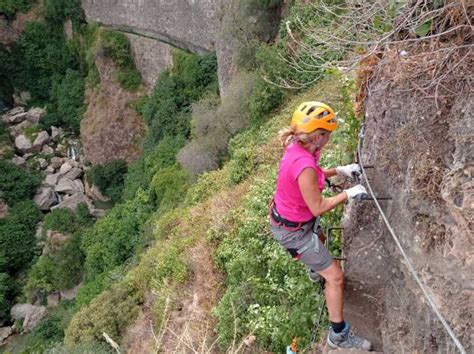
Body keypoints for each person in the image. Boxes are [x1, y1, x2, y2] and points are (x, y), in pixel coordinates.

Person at [269, 101, 372, 350]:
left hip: (294, 221)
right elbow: (318, 206)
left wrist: (339, 171)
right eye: (327, 134)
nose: (329, 139)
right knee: (336, 278)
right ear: (318, 136)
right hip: (294, 232)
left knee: (321, 242)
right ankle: (338, 335)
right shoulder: (303, 163)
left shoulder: (299, 147)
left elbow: (312, 174)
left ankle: (315, 269)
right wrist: (348, 194)